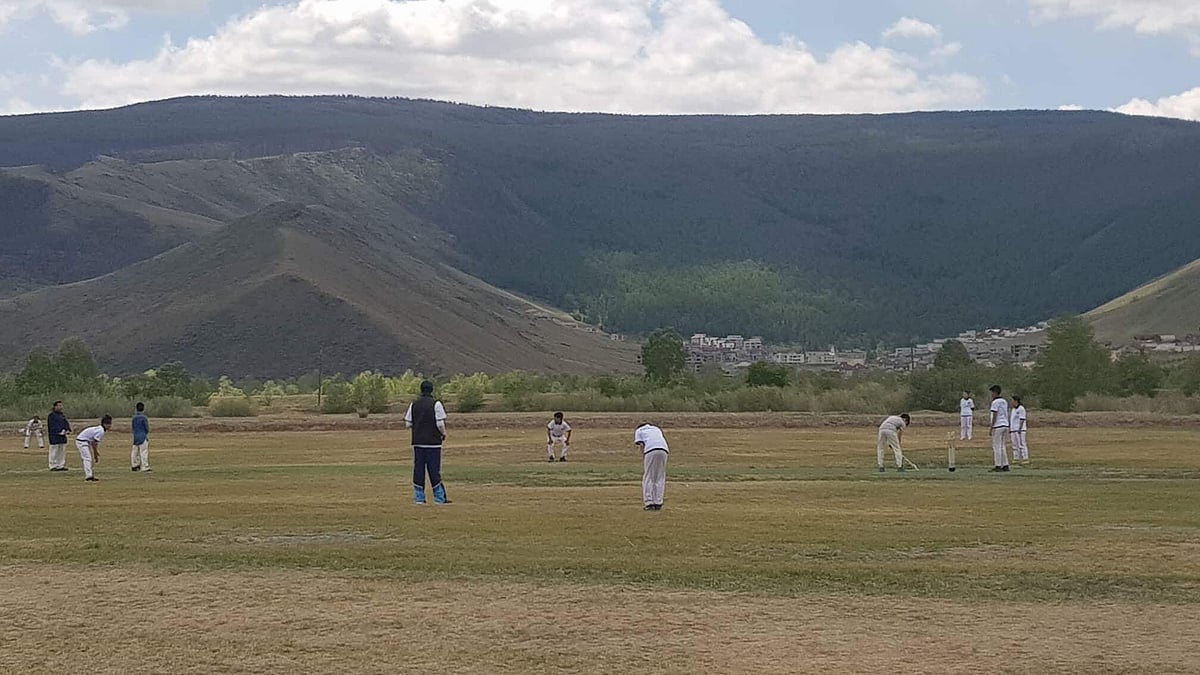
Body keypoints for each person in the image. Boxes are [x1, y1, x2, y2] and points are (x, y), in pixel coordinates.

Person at [405, 380, 449, 505]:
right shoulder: (436, 404)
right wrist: (443, 433)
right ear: (432, 390)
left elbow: (408, 424)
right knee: (434, 470)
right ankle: (439, 498)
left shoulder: (414, 404)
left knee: (418, 469)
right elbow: (440, 423)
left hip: (418, 442)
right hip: (433, 443)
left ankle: (419, 497)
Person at [635, 423, 669, 511]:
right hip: (664, 449)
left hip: (650, 449)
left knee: (648, 476)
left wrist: (644, 457)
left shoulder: (639, 431)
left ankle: (649, 502)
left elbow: (642, 445)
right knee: (660, 476)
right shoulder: (656, 428)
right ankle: (658, 502)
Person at [75, 415, 112, 482]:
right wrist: (95, 454)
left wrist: (95, 452)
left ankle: (89, 475)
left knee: (87, 458)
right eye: (108, 424)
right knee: (87, 459)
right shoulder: (101, 431)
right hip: (82, 441)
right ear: (104, 424)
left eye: (110, 423)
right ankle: (89, 476)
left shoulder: (100, 428)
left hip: (85, 441)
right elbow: (94, 443)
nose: (109, 426)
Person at [988, 385, 1010, 472]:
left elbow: (995, 414)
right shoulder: (1004, 401)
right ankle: (1005, 464)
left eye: (992, 392)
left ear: (995, 392)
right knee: (1002, 446)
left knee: (996, 446)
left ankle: (998, 465)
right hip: (1005, 424)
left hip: (998, 425)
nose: (991, 394)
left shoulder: (995, 402)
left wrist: (991, 427)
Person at [47, 400, 72, 472]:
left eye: (61, 405)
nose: (61, 407)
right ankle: (52, 465)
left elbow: (66, 423)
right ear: (55, 407)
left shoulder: (62, 415)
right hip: (54, 436)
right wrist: (59, 431)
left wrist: (67, 429)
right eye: (59, 405)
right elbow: (52, 425)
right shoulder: (51, 415)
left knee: (62, 450)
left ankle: (60, 465)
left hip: (63, 436)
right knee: (54, 450)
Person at [131, 402, 151, 472]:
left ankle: (134, 465)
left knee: (135, 451)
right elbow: (147, 428)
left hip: (136, 436)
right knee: (144, 451)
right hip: (142, 436)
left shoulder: (134, 418)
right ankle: (145, 466)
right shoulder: (144, 418)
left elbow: (133, 427)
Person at [1010, 395, 1029, 466]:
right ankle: (1016, 457)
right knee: (1014, 444)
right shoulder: (1013, 410)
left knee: (1022, 444)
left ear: (1016, 401)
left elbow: (1022, 419)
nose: (1011, 402)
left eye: (1012, 401)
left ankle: (1025, 457)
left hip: (1020, 430)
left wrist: (1019, 429)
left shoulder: (1021, 409)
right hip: (1013, 430)